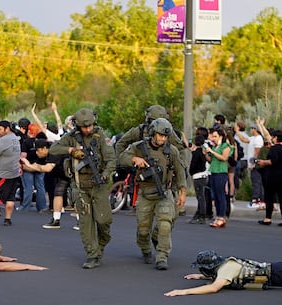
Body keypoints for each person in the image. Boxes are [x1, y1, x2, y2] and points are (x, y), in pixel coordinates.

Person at [49, 108, 116, 269]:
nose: (88, 129)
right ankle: (92, 255)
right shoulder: (71, 137)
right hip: (79, 187)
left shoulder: (99, 136)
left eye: (90, 126)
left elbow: (110, 159)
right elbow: (53, 149)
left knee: (104, 221)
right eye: (85, 127)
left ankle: (100, 245)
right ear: (78, 126)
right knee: (86, 225)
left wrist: (106, 174)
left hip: (98, 185)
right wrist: (71, 150)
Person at [118, 118, 186, 270]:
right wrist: (134, 159)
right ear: (153, 133)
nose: (163, 139)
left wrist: (182, 192)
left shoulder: (171, 151)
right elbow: (121, 158)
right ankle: (145, 248)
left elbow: (180, 171)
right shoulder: (139, 147)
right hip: (145, 193)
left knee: (165, 224)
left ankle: (162, 256)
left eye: (165, 136)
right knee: (143, 229)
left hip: (164, 192)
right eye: (160, 135)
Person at [164, 250, 282, 296]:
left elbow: (214, 288)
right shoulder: (224, 264)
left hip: (277, 273)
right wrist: (201, 276)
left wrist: (184, 291)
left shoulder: (226, 269)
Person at [21, 139, 71, 229]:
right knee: (57, 193)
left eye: (38, 150)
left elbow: (47, 168)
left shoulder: (53, 152)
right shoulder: (44, 156)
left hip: (74, 174)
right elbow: (36, 166)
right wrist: (24, 166)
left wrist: (28, 165)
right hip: (63, 175)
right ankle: (56, 220)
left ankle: (82, 222)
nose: (36, 153)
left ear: (44, 148)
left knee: (78, 196)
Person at [203, 127, 231, 228]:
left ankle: (222, 216)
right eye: (212, 136)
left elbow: (224, 158)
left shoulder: (225, 146)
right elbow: (211, 160)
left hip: (221, 172)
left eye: (215, 136)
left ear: (221, 136)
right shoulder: (215, 146)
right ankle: (218, 215)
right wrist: (206, 154)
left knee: (221, 195)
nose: (213, 138)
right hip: (213, 171)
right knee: (214, 195)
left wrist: (213, 151)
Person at [19, 123, 48, 213]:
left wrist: (21, 166)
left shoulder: (27, 142)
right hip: (40, 167)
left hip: (28, 167)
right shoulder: (45, 143)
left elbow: (23, 156)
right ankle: (42, 207)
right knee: (40, 187)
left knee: (28, 187)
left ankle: (25, 207)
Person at [256, 129, 282, 226]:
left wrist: (263, 162)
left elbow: (273, 161)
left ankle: (268, 218)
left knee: (269, 197)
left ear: (276, 138)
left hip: (273, 176)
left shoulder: (274, 149)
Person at [235, 124, 264, 209]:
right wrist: (237, 132)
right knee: (255, 181)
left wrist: (253, 164)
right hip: (252, 164)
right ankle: (259, 200)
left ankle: (256, 200)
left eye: (252, 128)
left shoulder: (258, 139)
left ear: (255, 129)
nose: (251, 130)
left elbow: (257, 152)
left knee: (256, 182)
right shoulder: (253, 138)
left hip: (255, 165)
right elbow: (244, 140)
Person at [188, 135, 208, 224]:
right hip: (204, 175)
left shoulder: (197, 153)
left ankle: (202, 215)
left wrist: (191, 172)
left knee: (200, 197)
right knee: (201, 196)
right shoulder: (203, 152)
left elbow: (193, 165)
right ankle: (200, 213)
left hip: (198, 176)